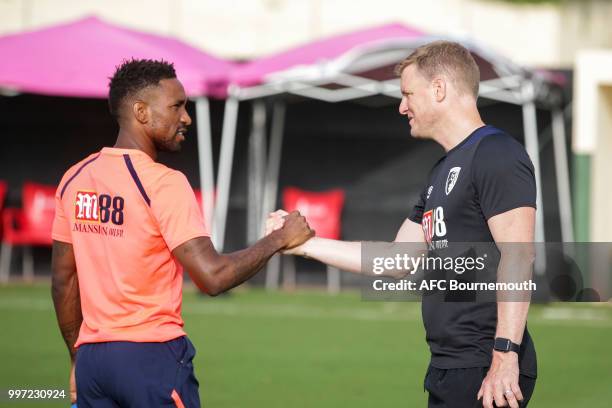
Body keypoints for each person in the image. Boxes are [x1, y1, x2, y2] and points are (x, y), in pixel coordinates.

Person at [268, 41, 537, 408]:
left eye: (408, 93)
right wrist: (303, 244)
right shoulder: (439, 173)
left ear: (439, 89)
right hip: (450, 365)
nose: (402, 106)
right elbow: (397, 261)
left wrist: (505, 356)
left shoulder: (496, 153)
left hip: (486, 365)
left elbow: (519, 257)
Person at [51, 59, 314, 408]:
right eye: (177, 106)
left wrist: (76, 358)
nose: (186, 117)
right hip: (151, 360)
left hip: (93, 367)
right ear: (141, 112)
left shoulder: (74, 178)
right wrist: (279, 239)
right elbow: (212, 277)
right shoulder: (163, 182)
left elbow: (63, 281)